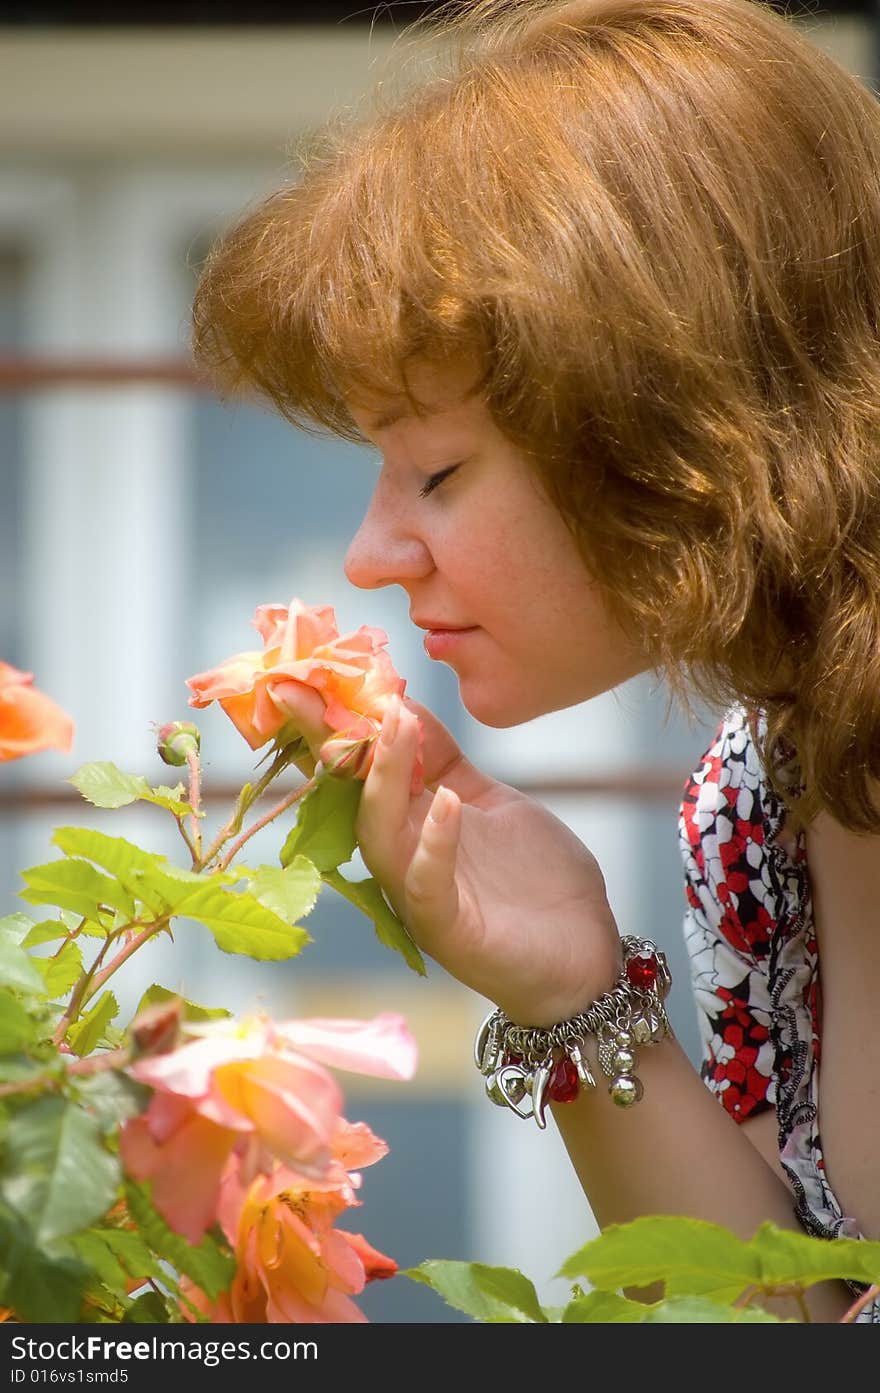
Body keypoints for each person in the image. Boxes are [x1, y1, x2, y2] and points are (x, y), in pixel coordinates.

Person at [190, 0, 880, 1322]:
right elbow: (787, 1310)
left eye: (435, 469)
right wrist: (571, 987)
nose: (370, 552)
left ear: (672, 425)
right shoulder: (754, 790)